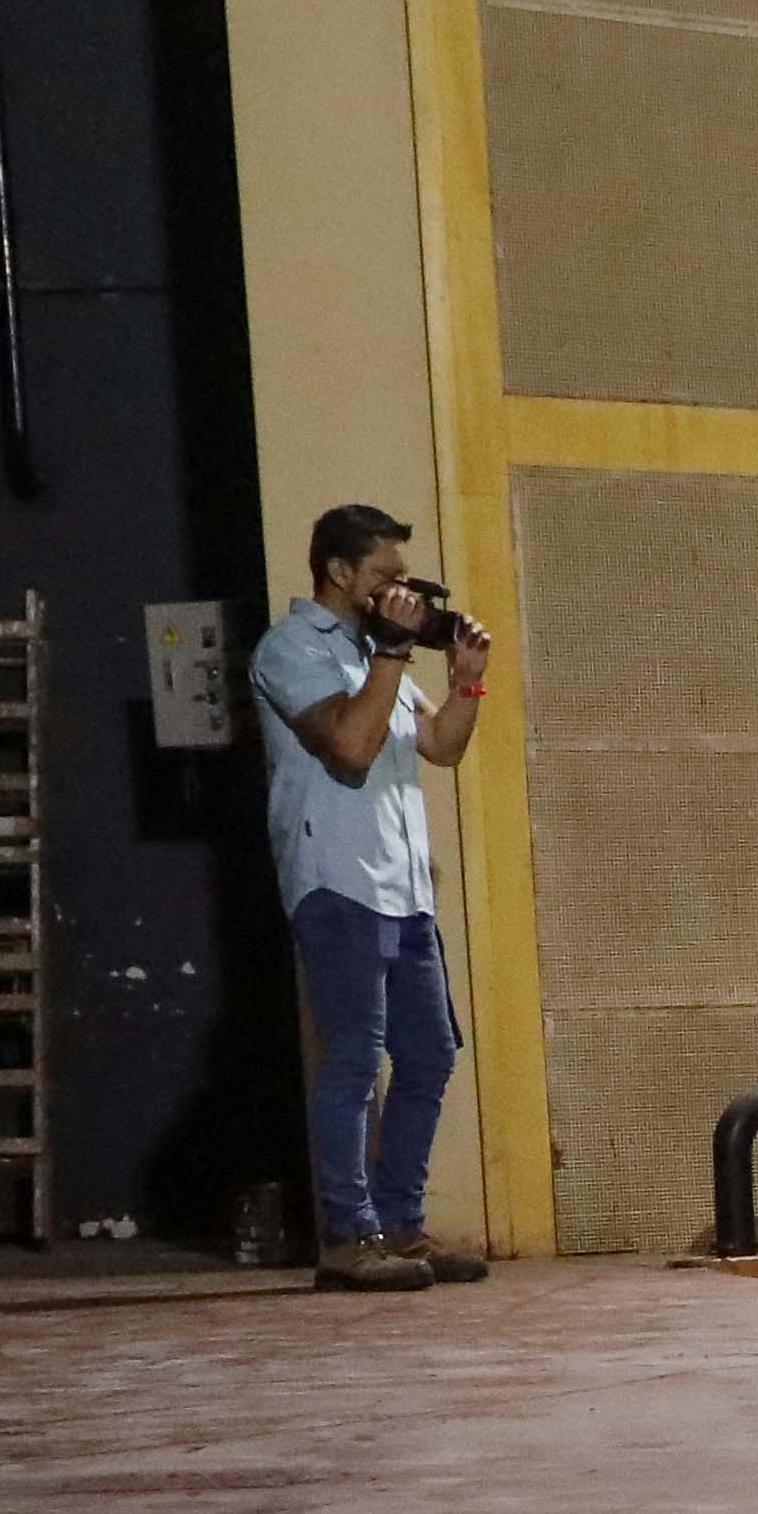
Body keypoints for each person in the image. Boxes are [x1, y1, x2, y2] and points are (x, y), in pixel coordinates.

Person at [250, 505, 493, 1295]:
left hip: (403, 884)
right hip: (336, 880)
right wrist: (390, 653)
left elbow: (443, 746)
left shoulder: (373, 651)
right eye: (385, 576)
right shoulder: (292, 650)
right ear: (339, 571)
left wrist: (465, 681)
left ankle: (401, 1224)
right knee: (353, 1060)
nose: (400, 592)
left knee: (430, 1053)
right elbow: (350, 746)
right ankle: (349, 1237)